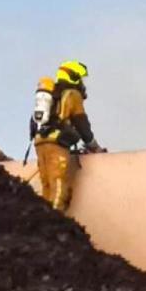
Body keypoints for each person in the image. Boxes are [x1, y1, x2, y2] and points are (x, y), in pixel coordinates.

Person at [32, 61, 104, 212]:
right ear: (74, 77)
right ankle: (54, 221)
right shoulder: (72, 95)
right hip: (57, 143)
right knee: (58, 185)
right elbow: (82, 124)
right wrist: (94, 146)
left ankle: (42, 218)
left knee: (46, 185)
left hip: (40, 142)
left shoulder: (51, 95)